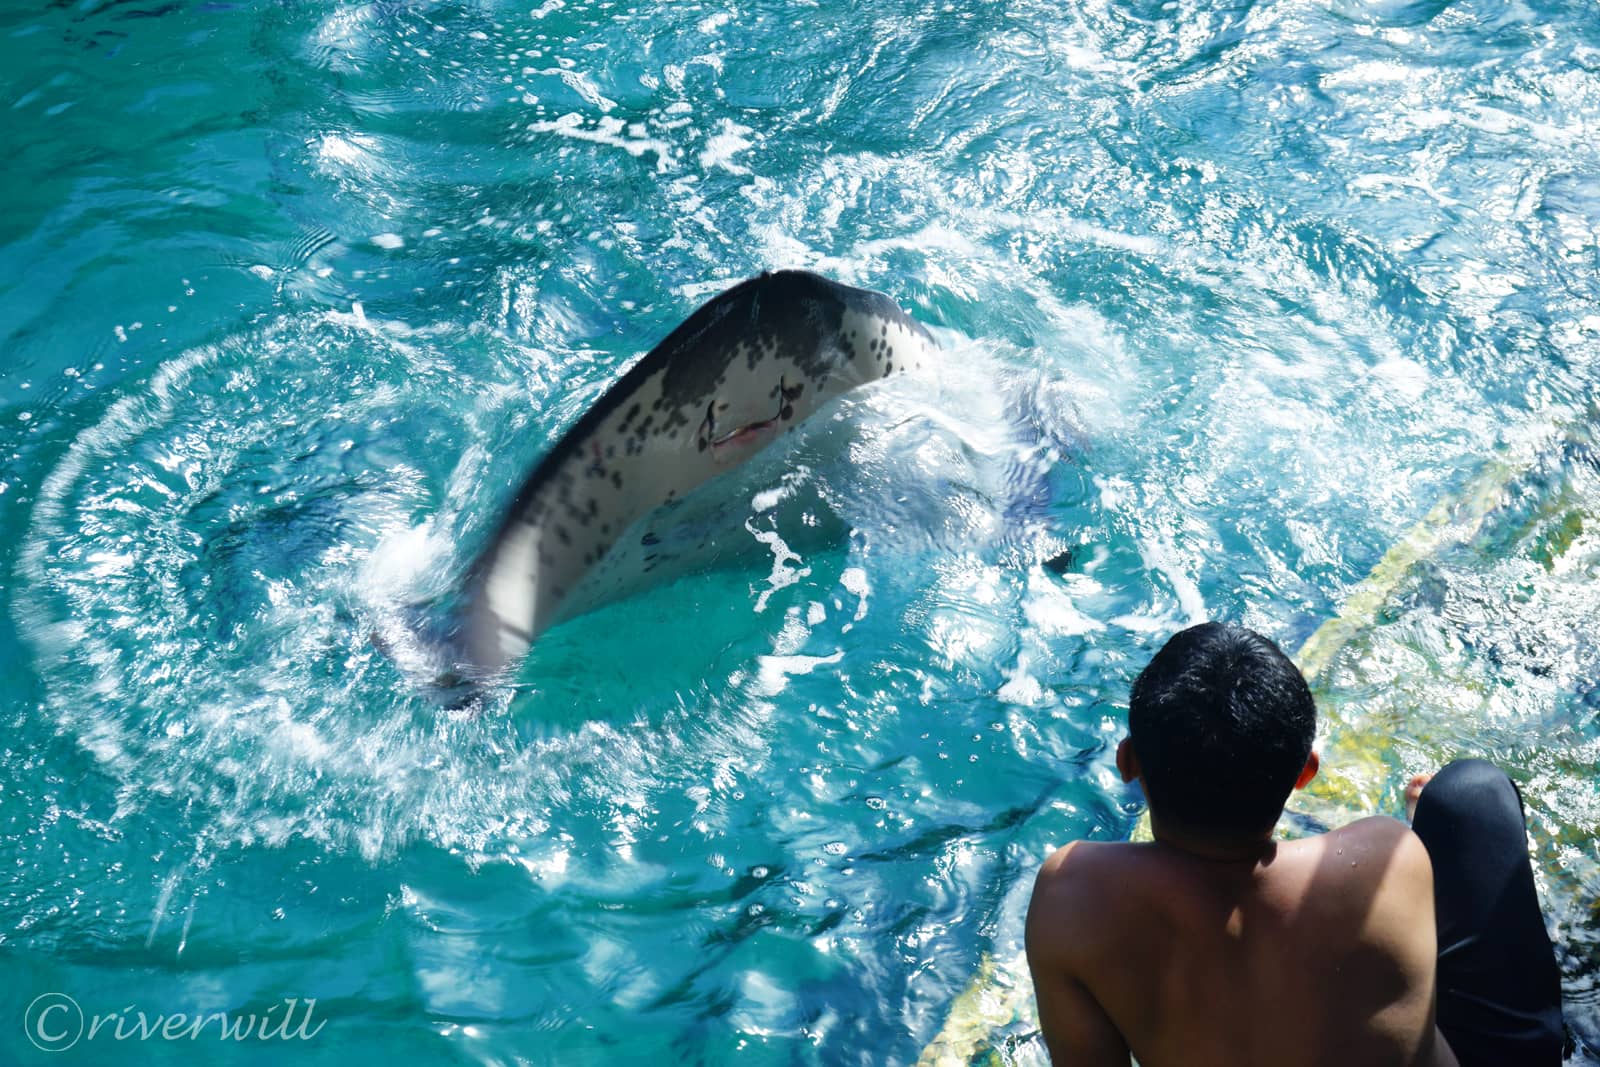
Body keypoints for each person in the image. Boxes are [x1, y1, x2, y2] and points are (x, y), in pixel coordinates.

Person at [1025, 621, 1565, 1066]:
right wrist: (1421, 833)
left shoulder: (1072, 896)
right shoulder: (1388, 854)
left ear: (1128, 763)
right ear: (1305, 772)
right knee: (1471, 796)